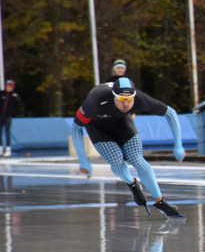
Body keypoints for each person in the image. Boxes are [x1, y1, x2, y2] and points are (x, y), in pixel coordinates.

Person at [71, 77, 186, 217]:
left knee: (137, 159)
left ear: (134, 96)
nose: (125, 103)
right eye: (120, 99)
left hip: (121, 122)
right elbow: (76, 127)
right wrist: (83, 160)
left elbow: (171, 113)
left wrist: (178, 145)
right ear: (113, 96)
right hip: (97, 127)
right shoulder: (96, 100)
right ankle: (132, 183)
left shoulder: (141, 99)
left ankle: (160, 202)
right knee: (116, 159)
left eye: (129, 99)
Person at [0, 79, 21, 158]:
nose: (10, 88)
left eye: (12, 87)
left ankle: (8, 149)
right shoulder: (1, 93)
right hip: (1, 115)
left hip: (8, 116)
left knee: (7, 132)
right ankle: (0, 148)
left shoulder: (14, 96)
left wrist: (11, 113)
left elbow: (17, 107)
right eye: (9, 87)